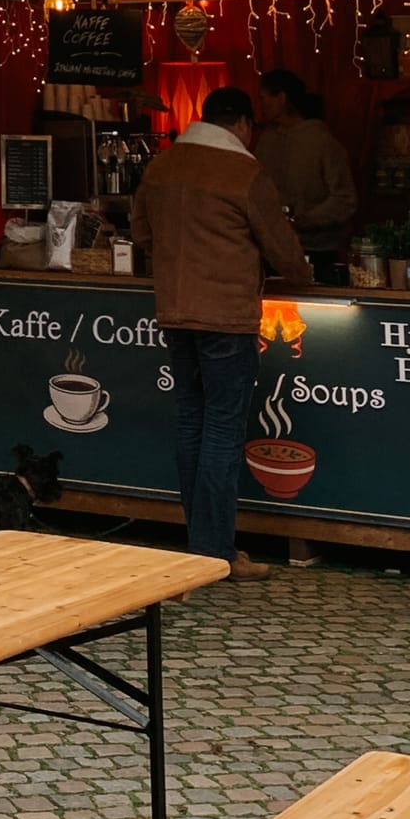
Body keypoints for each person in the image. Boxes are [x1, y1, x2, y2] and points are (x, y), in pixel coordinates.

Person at [142, 85, 312, 580]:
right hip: (226, 318)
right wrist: (301, 274)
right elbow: (284, 251)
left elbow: (144, 234)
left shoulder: (161, 168)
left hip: (174, 313)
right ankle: (216, 553)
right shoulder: (245, 173)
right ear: (241, 125)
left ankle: (200, 546)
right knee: (221, 430)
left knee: (191, 423)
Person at [255, 68, 357, 286]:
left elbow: (345, 198)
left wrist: (307, 220)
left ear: (281, 98)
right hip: (272, 248)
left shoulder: (322, 142)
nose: (261, 107)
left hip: (316, 249)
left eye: (264, 99)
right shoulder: (266, 141)